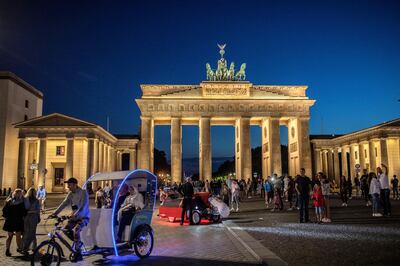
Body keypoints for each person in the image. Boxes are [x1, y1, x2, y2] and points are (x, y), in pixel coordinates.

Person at [49, 177, 89, 262]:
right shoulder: (70, 194)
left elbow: (82, 206)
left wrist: (75, 213)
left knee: (76, 230)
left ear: (75, 185)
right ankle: (77, 242)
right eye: (68, 185)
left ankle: (78, 251)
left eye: (69, 185)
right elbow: (64, 203)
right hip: (73, 218)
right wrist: (55, 213)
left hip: (83, 217)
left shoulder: (83, 193)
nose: (68, 187)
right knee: (64, 230)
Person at [2, 188, 25, 256]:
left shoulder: (9, 201)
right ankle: (19, 248)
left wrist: (7, 217)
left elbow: (4, 211)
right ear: (20, 194)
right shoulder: (21, 202)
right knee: (18, 236)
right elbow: (23, 212)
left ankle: (7, 249)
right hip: (18, 221)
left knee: (9, 236)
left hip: (10, 221)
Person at [21, 187, 40, 255]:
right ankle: (24, 248)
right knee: (26, 233)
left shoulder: (36, 200)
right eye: (31, 192)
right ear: (29, 192)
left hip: (33, 218)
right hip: (26, 218)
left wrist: (30, 211)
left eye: (33, 192)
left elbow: (38, 210)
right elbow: (24, 209)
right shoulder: (25, 199)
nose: (32, 193)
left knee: (32, 233)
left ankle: (33, 247)